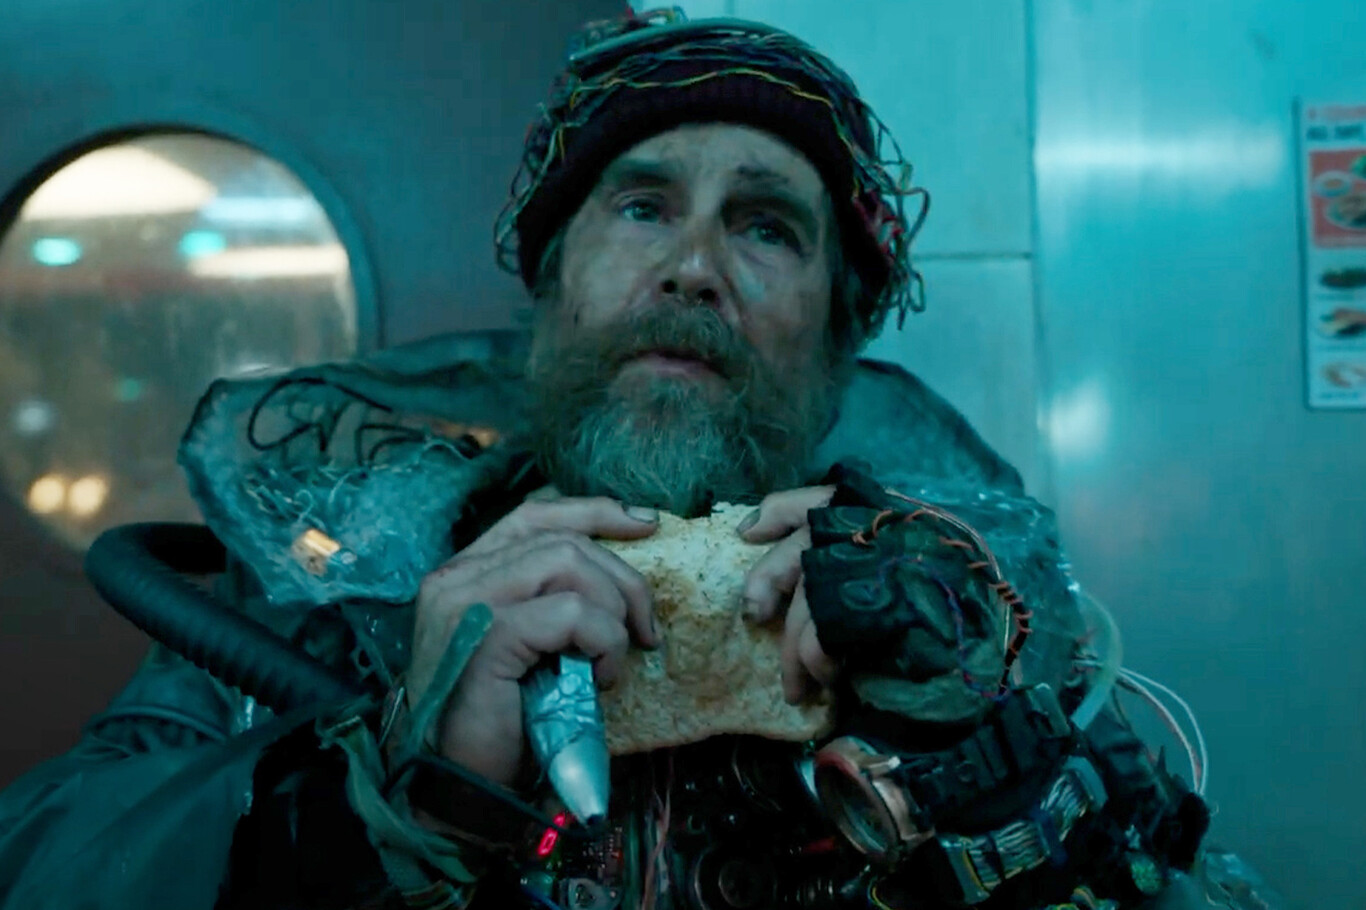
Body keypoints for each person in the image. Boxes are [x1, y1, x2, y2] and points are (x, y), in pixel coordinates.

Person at [0, 9, 1279, 910]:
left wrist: (1000, 790)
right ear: (552, 294)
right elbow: (45, 864)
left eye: (765, 227)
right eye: (642, 206)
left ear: (836, 345)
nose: (693, 266)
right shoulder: (315, 590)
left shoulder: (962, 623)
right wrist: (383, 792)